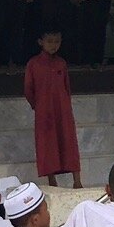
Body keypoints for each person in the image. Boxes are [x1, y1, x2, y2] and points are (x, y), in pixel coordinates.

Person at [23, 27, 81, 187]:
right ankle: (51, 180)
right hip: (44, 110)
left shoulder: (61, 63)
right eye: (49, 42)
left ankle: (77, 181)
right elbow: (28, 89)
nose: (53, 45)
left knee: (68, 141)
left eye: (56, 42)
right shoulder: (34, 64)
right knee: (47, 144)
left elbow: (66, 87)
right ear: (41, 42)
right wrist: (38, 106)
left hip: (63, 109)